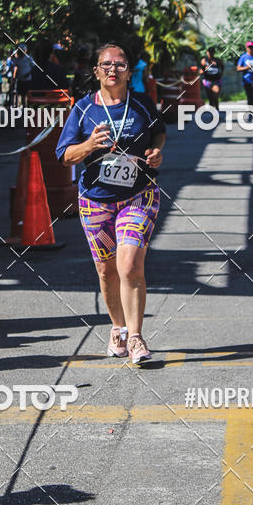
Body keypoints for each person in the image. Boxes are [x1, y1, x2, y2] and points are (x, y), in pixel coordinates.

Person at [56, 43, 166, 365]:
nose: (113, 69)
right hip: (95, 201)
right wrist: (89, 144)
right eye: (106, 64)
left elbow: (159, 134)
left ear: (129, 71)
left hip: (139, 195)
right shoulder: (82, 110)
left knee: (130, 266)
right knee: (107, 272)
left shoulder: (143, 104)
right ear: (96, 71)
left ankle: (136, 338)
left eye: (120, 64)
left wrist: (157, 153)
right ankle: (117, 327)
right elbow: (64, 156)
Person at [237, 40, 253, 106]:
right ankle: (251, 110)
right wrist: (246, 67)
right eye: (249, 47)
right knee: (249, 96)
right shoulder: (243, 57)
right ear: (246, 48)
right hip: (247, 79)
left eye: (251, 47)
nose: (250, 48)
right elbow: (238, 68)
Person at [13, 43, 34, 107]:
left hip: (28, 79)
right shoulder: (17, 59)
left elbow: (33, 67)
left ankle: (28, 106)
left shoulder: (29, 58)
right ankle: (23, 106)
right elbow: (15, 68)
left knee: (27, 95)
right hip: (21, 80)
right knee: (21, 95)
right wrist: (14, 77)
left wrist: (28, 74)